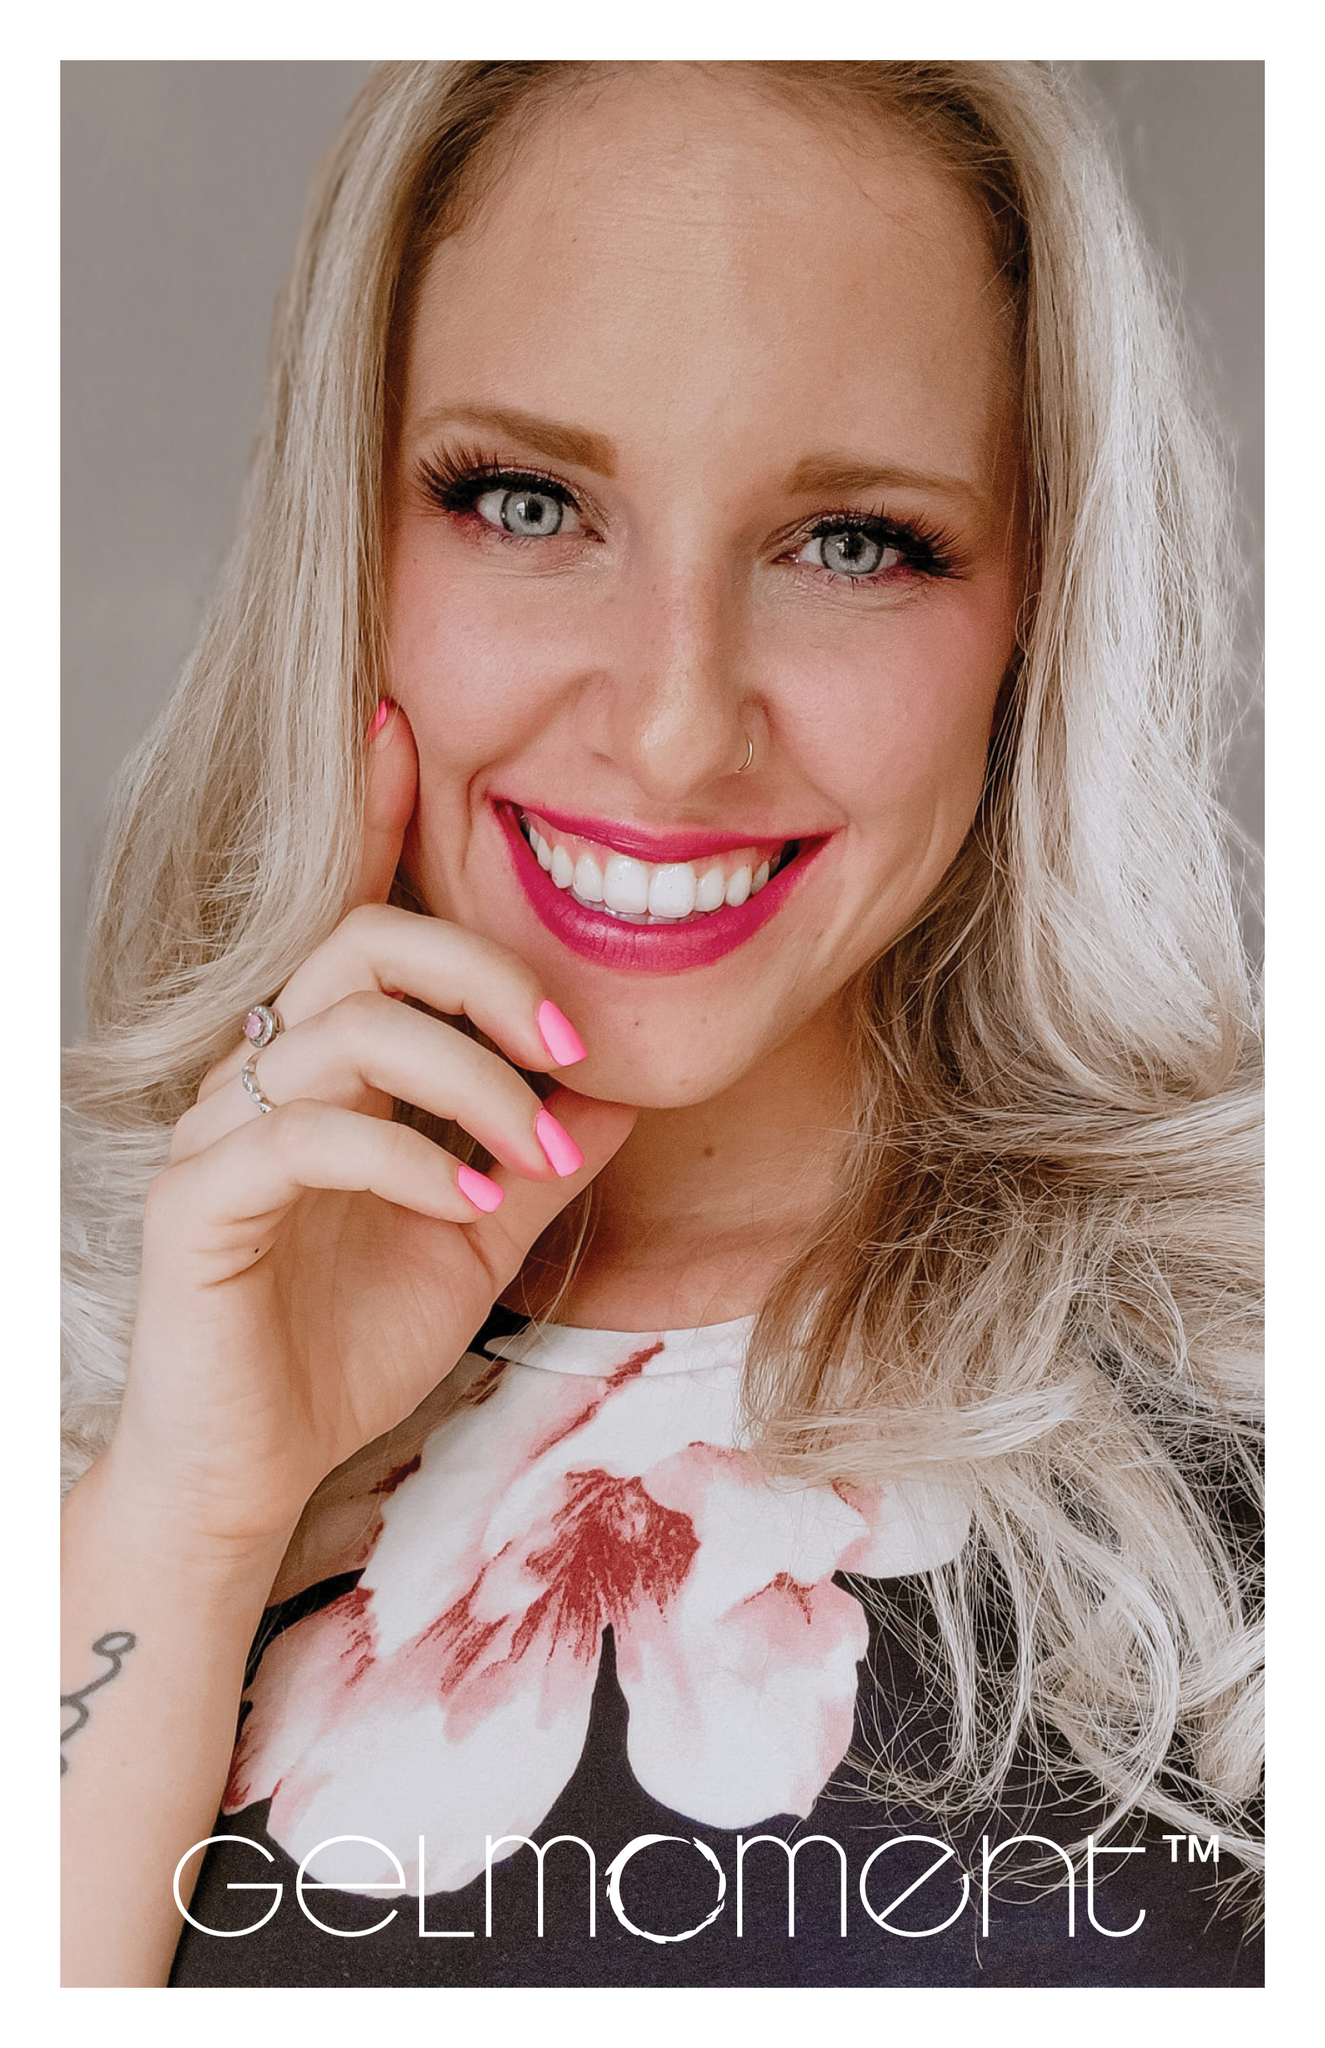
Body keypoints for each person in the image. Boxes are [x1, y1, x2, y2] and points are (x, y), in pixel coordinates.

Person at [60, 60, 1263, 1989]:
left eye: (851, 540)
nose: (679, 725)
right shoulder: (86, 1354)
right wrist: (191, 1511)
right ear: (348, 547)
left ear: (1041, 606)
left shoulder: (1268, 1378)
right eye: (529, 504)